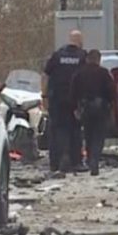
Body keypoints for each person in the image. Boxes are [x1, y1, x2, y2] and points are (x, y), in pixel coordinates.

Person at [43, 30, 87, 177]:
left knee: (57, 131)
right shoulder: (82, 57)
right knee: (75, 131)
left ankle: (56, 162)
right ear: (79, 42)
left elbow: (46, 75)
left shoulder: (57, 56)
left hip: (56, 101)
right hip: (75, 101)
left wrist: (44, 96)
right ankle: (76, 162)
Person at [69, 49, 116, 176]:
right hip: (101, 108)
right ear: (98, 59)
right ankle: (94, 160)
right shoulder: (104, 73)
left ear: (87, 59)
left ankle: (90, 159)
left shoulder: (79, 73)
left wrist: (75, 108)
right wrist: (111, 105)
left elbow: (73, 92)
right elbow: (112, 91)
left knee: (88, 135)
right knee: (98, 136)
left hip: (85, 108)